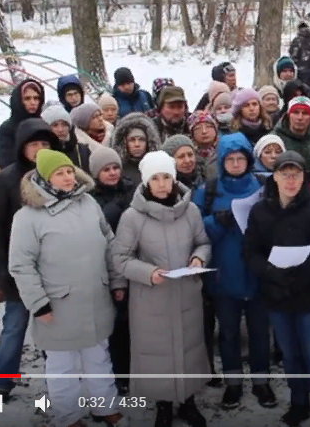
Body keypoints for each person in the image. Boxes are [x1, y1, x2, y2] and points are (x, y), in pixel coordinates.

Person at [9, 149, 127, 427]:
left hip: (95, 297)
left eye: (70, 171)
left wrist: (117, 281)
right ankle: (68, 416)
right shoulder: (28, 217)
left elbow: (109, 243)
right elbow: (21, 265)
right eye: (59, 173)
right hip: (57, 304)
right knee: (62, 366)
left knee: (99, 358)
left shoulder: (88, 203)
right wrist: (38, 304)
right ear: (45, 178)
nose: (67, 177)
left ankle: (105, 407)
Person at [110, 150, 210, 427]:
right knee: (158, 355)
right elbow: (120, 258)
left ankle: (188, 402)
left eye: (167, 176)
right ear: (146, 182)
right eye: (156, 178)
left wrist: (199, 258)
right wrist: (148, 272)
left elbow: (203, 242)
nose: (163, 184)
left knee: (188, 348)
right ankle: (163, 406)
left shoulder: (190, 210)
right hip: (151, 299)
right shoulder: (133, 217)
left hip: (186, 294)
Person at [242, 151, 310, 427]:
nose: (291, 180)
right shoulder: (260, 211)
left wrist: (298, 275)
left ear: (304, 177)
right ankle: (299, 403)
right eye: (285, 174)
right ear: (275, 176)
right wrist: (272, 273)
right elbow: (250, 252)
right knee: (291, 356)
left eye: (296, 174)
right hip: (276, 296)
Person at [191, 133, 278, 410]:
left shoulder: (264, 185)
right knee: (228, 334)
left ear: (249, 159)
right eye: (230, 159)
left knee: (259, 332)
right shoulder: (209, 191)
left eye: (241, 158)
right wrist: (219, 222)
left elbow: (279, 222)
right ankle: (233, 384)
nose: (236, 163)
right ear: (221, 161)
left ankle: (261, 381)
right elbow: (195, 231)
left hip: (257, 274)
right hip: (222, 276)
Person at [0, 119, 61, 398]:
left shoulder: (58, 176)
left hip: (52, 268)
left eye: (46, 144)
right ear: (22, 147)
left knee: (52, 325)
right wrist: (1, 269)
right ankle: (2, 382)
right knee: (14, 326)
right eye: (34, 144)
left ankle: (58, 376)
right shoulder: (7, 179)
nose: (40, 149)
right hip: (18, 269)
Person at [87, 146, 137, 395]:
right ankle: (115, 374)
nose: (113, 172)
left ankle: (129, 371)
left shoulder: (132, 190)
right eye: (106, 169)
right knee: (113, 323)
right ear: (96, 173)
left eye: (116, 167)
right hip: (104, 266)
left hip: (132, 262)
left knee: (129, 322)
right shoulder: (89, 198)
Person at [273, 96, 310, 180]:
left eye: (305, 113)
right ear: (289, 115)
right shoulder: (275, 138)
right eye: (296, 112)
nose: (300, 118)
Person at [0, 79, 45, 167]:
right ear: (18, 100)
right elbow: (7, 161)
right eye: (27, 98)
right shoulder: (8, 128)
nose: (33, 103)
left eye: (36, 98)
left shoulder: (43, 124)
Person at [41, 102, 91, 173]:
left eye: (65, 124)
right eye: (55, 125)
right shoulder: (42, 152)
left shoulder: (82, 150)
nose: (61, 129)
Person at [112, 113, 162, 184]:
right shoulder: (117, 170)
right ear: (124, 142)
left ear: (149, 142)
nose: (137, 144)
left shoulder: (159, 167)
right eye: (132, 140)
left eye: (142, 139)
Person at [187, 111, 219, 177]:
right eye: (198, 128)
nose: (204, 131)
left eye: (209, 126)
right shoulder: (188, 157)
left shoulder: (224, 152)